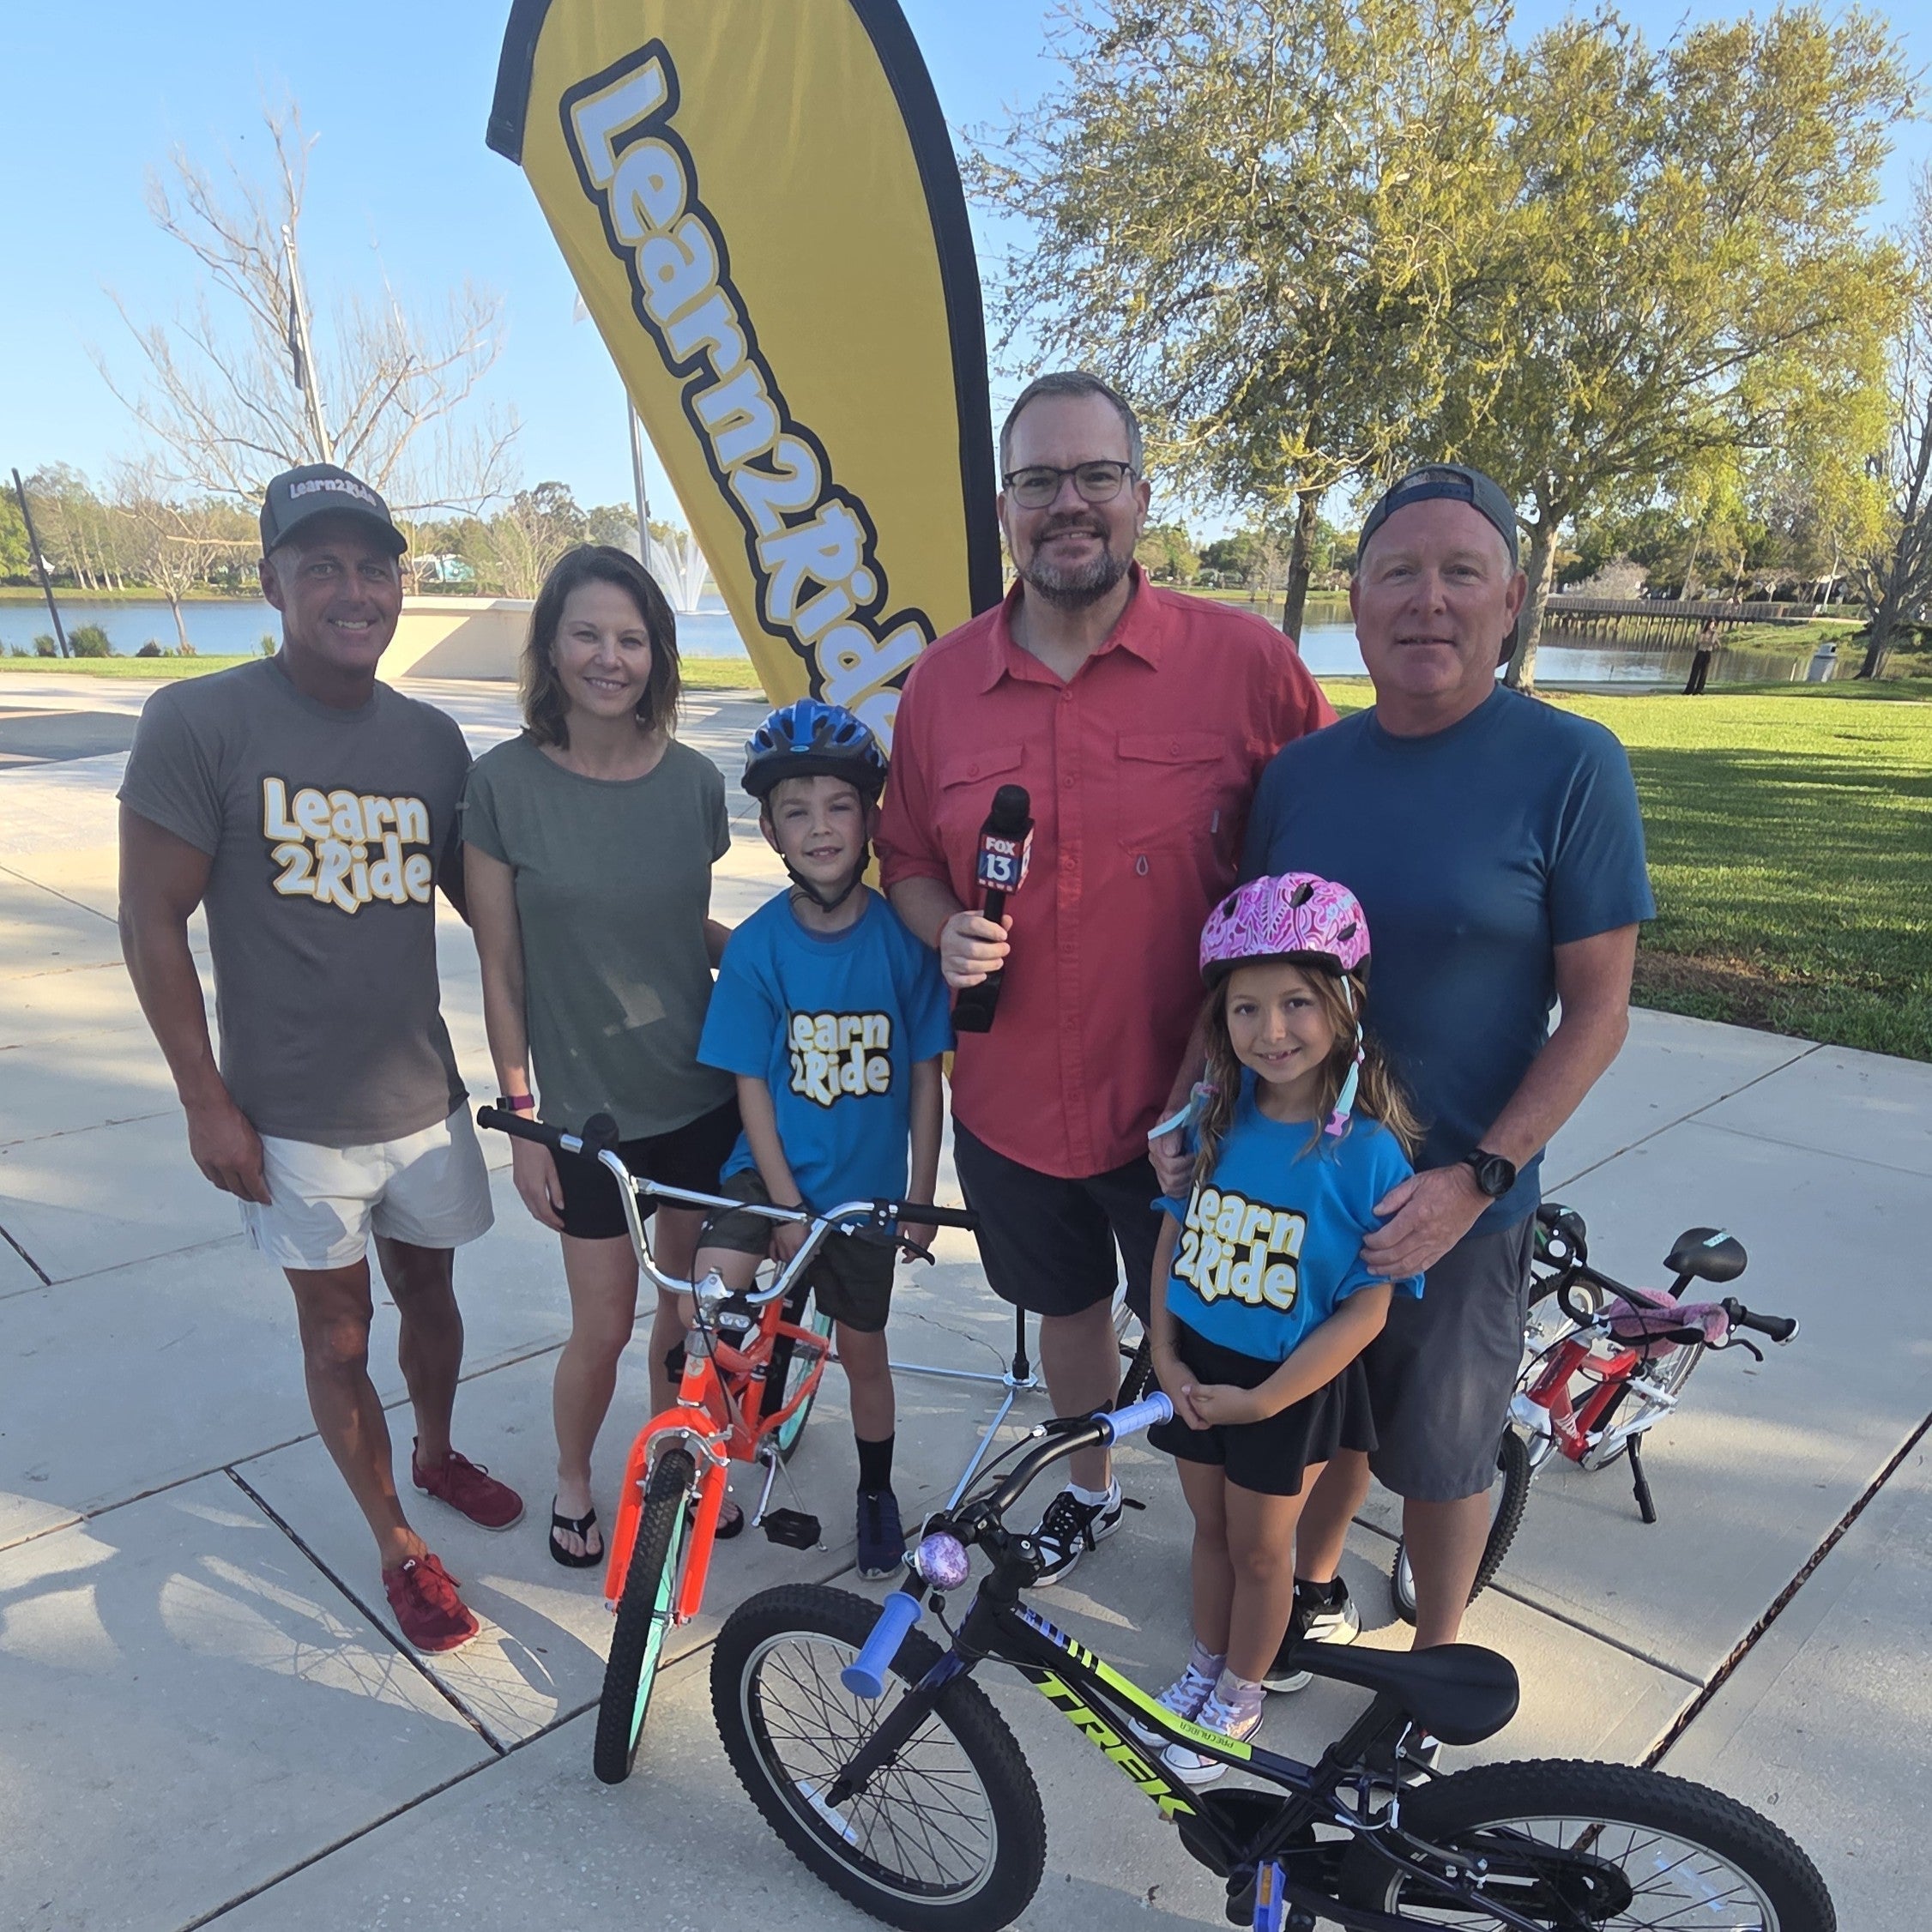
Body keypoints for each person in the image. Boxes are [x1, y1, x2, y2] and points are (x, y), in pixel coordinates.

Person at [877, 370, 1334, 1584]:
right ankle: (1086, 1488)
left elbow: (1328, 867)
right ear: (1005, 508)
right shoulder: (941, 687)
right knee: (1070, 1313)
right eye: (1038, 481)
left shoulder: (1245, 666)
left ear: (1141, 494)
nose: (1066, 503)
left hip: (1204, 1119)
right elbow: (910, 855)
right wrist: (938, 932)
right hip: (1016, 1106)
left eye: (1094, 476)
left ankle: (1237, 1554)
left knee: (1222, 1340)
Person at [1238, 463, 1653, 1714]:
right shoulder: (1300, 777)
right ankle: (1310, 1589)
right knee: (1317, 1412)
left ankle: (1433, 1672)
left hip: (1461, 1193)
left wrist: (1478, 1178)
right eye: (1398, 573)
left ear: (1512, 599)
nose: (1429, 601)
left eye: (1460, 573)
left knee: (1441, 1450)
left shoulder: (1572, 765)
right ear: (1357, 604)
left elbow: (1599, 1012)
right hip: (1302, 1176)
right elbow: (1253, 978)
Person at [118, 462, 518, 1655]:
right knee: (336, 1336)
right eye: (324, 566)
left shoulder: (433, 742)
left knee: (433, 1298)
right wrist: (206, 1102)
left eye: (374, 566)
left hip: (423, 1099)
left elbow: (503, 913)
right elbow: (151, 924)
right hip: (289, 1120)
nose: (355, 590)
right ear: (273, 582)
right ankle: (398, 1540)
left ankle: (438, 1456)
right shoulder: (201, 722)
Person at [462, 546, 740, 1568]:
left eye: (630, 637)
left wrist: (771, 961)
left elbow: (673, 923)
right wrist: (523, 1116)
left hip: (703, 1094)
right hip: (587, 1117)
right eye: (586, 632)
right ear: (550, 645)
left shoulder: (696, 783)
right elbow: (502, 969)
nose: (608, 656)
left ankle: (676, 1469)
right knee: (603, 1324)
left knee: (688, 1309)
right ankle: (578, 1476)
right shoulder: (500, 787)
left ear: (658, 654)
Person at [1138, 873, 1421, 1784]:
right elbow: (1172, 1240)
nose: (1271, 1030)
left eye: (1296, 1001)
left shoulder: (1367, 1150)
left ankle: (1240, 1692)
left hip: (1285, 1384)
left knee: (1264, 1549)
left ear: (1341, 1007)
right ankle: (1203, 1663)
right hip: (1194, 1364)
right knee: (1209, 1532)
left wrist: (1262, 1397)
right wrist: (1165, 1350)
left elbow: (1367, 1307)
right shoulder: (1211, 1118)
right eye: (1245, 1006)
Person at [693, 700, 951, 1578]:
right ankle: (715, 1458)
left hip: (863, 1195)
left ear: (870, 818)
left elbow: (923, 1076)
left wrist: (920, 1194)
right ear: (767, 829)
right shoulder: (761, 945)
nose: (818, 826)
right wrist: (781, 1205)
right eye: (794, 810)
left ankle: (875, 1489)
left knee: (863, 1354)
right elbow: (751, 1084)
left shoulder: (903, 945)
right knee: (714, 1304)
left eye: (837, 805)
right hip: (764, 1173)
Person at [1684, 618, 1717, 695]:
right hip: (1701, 652)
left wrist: (1712, 637)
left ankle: (1699, 690)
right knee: (1695, 671)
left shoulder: (1714, 634)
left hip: (1708, 653)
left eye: (1713, 625)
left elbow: (1712, 643)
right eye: (1711, 624)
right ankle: (1689, 689)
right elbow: (1700, 641)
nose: (1711, 626)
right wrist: (1707, 641)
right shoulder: (1703, 632)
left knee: (1704, 672)